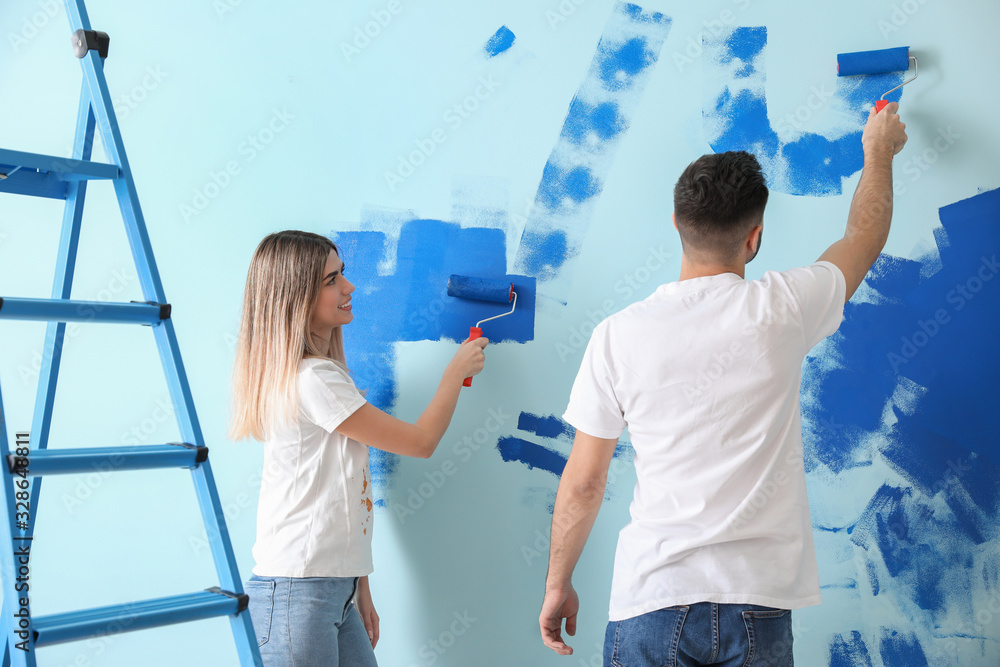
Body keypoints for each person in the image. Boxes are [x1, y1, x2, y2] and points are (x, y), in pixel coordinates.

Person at [539, 103, 908, 666]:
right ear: (754, 238)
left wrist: (557, 583)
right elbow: (864, 235)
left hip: (651, 600)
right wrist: (878, 151)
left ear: (676, 224)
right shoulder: (782, 309)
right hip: (756, 603)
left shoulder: (617, 336)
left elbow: (585, 483)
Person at [227, 230, 488, 666]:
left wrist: (359, 587)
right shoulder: (314, 380)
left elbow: (342, 496)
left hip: (328, 590)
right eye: (331, 280)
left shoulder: (321, 376)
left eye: (342, 274)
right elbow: (421, 443)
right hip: (296, 595)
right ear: (296, 298)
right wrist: (453, 374)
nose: (349, 287)